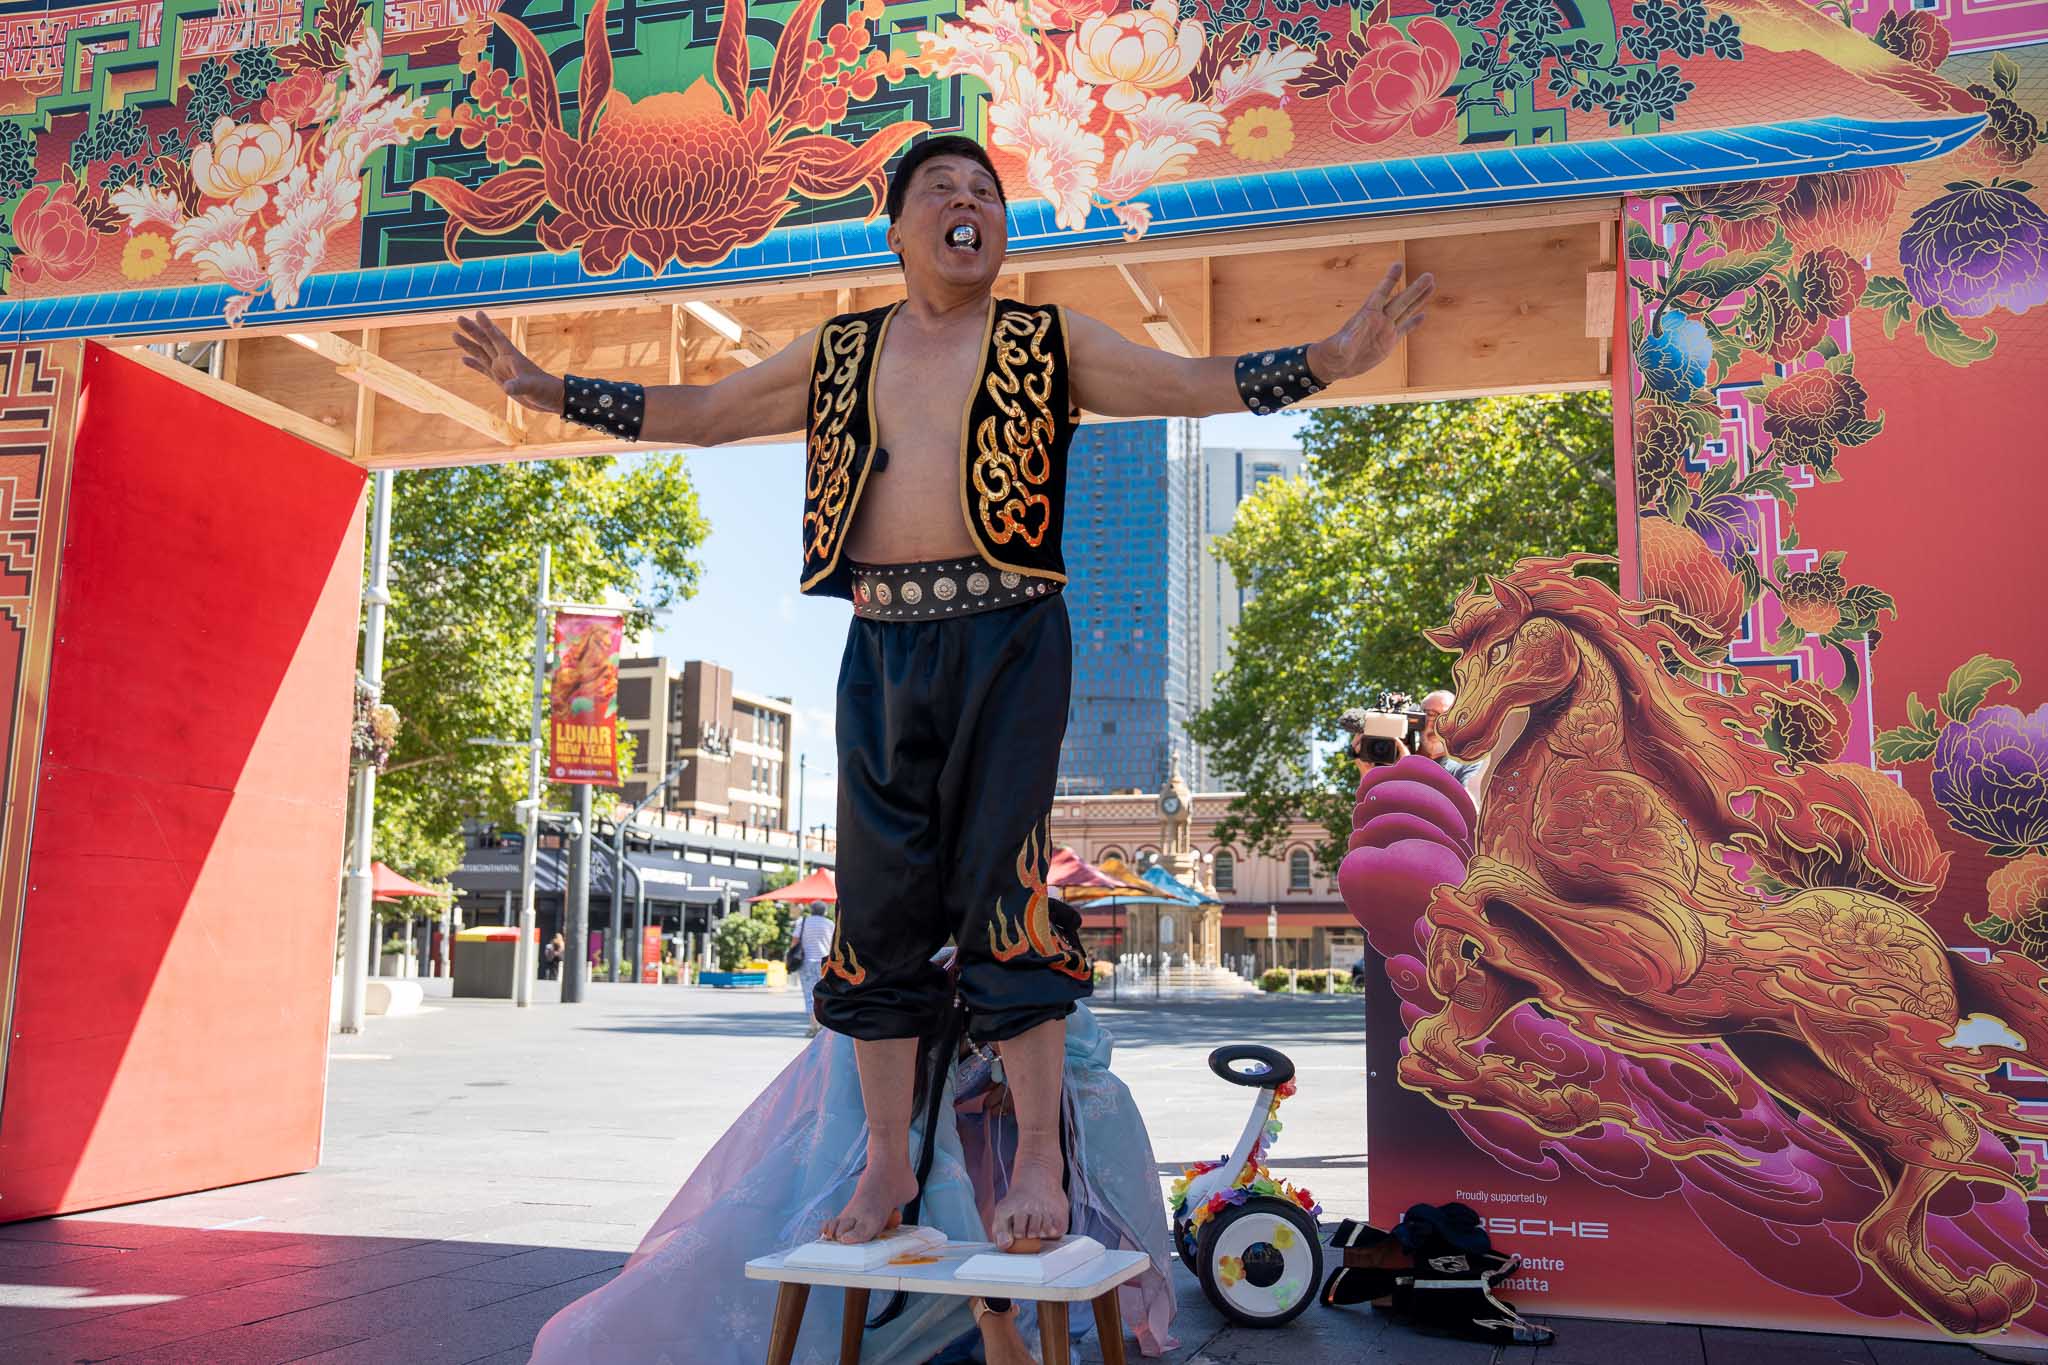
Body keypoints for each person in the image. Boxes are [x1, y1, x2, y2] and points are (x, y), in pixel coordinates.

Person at [454, 132, 1432, 1250]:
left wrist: (1325, 361)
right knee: (875, 911)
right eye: (943, 191)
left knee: (1001, 893)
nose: (969, 205)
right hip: (883, 645)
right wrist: (552, 391)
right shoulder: (840, 352)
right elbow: (712, 410)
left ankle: (1032, 1156)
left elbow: (1184, 381)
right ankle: (883, 1167)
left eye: (986, 194)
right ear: (898, 226)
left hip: (1010, 635)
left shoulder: (1044, 341)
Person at [526, 994, 1177, 1364]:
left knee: (1092, 1098)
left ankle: (986, 1302)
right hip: (879, 1089)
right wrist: (993, 1313)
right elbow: (932, 1162)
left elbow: (1085, 1041)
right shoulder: (877, 1010)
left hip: (966, 1065)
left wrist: (1017, 1081)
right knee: (905, 1166)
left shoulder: (1015, 960)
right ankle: (982, 1314)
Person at [1418, 689, 1486, 792]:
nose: (1438, 725)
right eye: (1430, 715)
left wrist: (1408, 770)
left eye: (1447, 717)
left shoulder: (1469, 763)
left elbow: (1469, 806)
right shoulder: (1395, 753)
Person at [789, 900, 836, 1038]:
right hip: (825, 963)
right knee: (825, 994)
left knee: (809, 994)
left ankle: (813, 1025)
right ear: (825, 911)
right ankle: (824, 1026)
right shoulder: (830, 924)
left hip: (807, 963)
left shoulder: (803, 922)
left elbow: (795, 941)